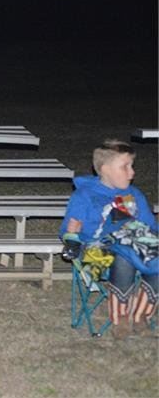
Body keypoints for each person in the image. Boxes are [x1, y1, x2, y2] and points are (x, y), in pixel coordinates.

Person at [60, 140, 158, 339]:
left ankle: (141, 316)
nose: (132, 172)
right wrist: (71, 234)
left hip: (135, 246)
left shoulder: (134, 195)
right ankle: (120, 317)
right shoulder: (84, 195)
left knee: (153, 254)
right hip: (97, 253)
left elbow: (150, 228)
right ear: (104, 169)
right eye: (125, 167)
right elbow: (68, 232)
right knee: (123, 257)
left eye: (132, 166)